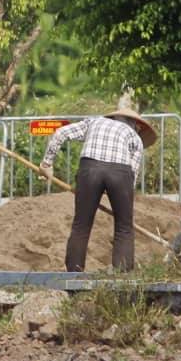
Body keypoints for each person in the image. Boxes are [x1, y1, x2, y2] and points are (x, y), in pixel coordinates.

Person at [38, 107, 157, 272]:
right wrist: (119, 194)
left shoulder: (94, 122)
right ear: (135, 125)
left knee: (81, 226)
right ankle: (122, 276)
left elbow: (61, 133)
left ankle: (74, 273)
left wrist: (46, 164)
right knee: (124, 228)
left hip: (90, 169)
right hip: (121, 173)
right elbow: (132, 175)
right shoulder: (135, 137)